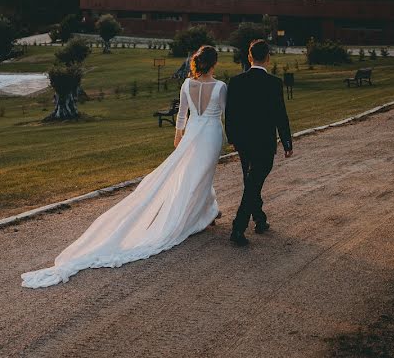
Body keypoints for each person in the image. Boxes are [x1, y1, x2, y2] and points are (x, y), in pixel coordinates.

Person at [21, 46, 225, 288]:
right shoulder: (221, 87)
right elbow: (223, 113)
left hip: (192, 132)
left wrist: (178, 134)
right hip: (211, 134)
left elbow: (182, 114)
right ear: (214, 64)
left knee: (191, 174)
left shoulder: (186, 85)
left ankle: (207, 209)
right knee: (202, 174)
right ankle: (197, 215)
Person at [224, 39, 293, 246]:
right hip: (264, 142)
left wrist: (233, 139)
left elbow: (231, 115)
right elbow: (281, 115)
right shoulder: (274, 83)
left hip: (244, 142)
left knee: (251, 182)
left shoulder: (236, 82)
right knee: (253, 183)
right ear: (268, 58)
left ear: (249, 57)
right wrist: (287, 141)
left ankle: (260, 219)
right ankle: (238, 227)